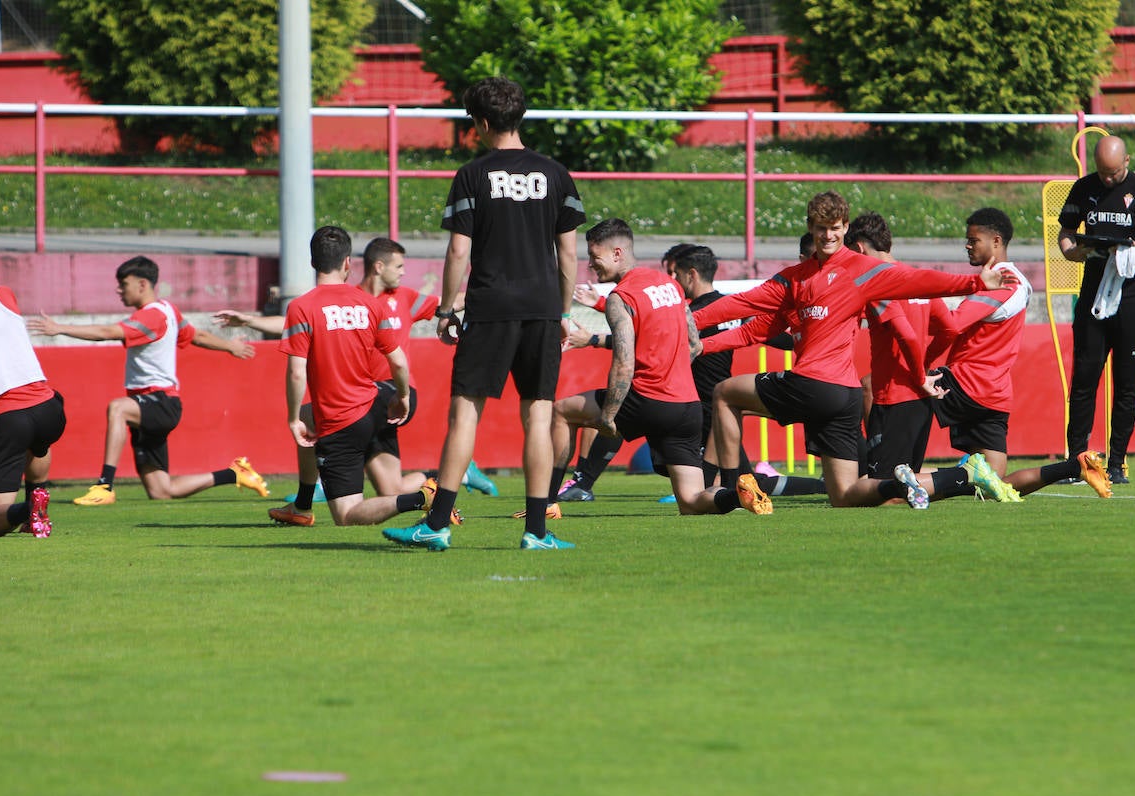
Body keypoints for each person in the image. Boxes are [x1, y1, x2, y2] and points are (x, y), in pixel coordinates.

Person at [696, 191, 1004, 510]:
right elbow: (745, 307)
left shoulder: (861, 270)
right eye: (820, 228)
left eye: (834, 227)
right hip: (846, 397)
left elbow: (918, 280)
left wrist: (974, 283)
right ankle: (930, 481)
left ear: (845, 228)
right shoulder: (795, 280)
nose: (828, 235)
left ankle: (735, 491)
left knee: (724, 392)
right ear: (810, 228)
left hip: (814, 385)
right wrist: (698, 332)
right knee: (844, 495)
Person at [383, 76, 585, 552]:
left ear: (483, 121)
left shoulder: (472, 175)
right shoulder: (556, 175)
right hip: (540, 308)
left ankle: (436, 525)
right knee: (538, 416)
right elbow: (569, 255)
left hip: (491, 306)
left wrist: (448, 308)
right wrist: (560, 311)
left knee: (465, 416)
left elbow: (458, 251)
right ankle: (536, 531)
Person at [549, 219, 771, 515]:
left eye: (594, 256)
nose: (590, 264)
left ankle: (546, 503)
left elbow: (624, 364)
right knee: (691, 502)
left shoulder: (621, 297)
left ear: (617, 253)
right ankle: (737, 496)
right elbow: (694, 344)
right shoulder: (671, 286)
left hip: (646, 399)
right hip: (685, 407)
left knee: (562, 412)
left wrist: (608, 417)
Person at [896, 208, 1113, 504]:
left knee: (876, 387)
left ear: (996, 241)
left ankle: (876, 471)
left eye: (974, 240)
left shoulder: (1004, 282)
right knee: (996, 481)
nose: (968, 246)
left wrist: (915, 305)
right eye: (967, 240)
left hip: (965, 383)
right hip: (994, 393)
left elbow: (953, 323)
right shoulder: (1011, 282)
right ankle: (1075, 466)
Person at [27, 256, 271, 506]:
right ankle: (234, 473)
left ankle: (104, 486)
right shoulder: (168, 310)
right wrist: (229, 346)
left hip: (159, 402)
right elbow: (196, 335)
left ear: (142, 284)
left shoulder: (152, 316)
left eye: (123, 284)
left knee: (118, 408)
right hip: (150, 406)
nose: (118, 290)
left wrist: (60, 328)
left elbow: (108, 332)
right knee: (161, 491)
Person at [277, 226, 436, 527]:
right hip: (373, 406)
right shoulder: (369, 304)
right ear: (348, 263)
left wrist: (292, 419)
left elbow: (297, 372)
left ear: (313, 262)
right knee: (387, 486)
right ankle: (301, 505)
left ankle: (420, 498)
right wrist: (402, 396)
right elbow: (399, 363)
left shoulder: (301, 307)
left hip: (340, 421)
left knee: (348, 516)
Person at [1057, 134, 1135, 484]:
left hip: (1133, 297)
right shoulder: (1083, 188)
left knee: (1126, 382)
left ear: (1126, 161)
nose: (1107, 179)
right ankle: (1075, 462)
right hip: (1093, 297)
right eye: (1102, 173)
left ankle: (1116, 463)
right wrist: (1071, 250)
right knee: (1084, 379)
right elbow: (1066, 233)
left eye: (1113, 172)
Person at [844, 211, 941, 476]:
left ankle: (961, 476)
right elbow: (950, 328)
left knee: (881, 489)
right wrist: (924, 365)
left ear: (859, 248)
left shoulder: (877, 282)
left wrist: (920, 373)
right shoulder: (915, 277)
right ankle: (960, 475)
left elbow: (906, 335)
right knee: (902, 485)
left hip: (892, 398)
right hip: (921, 401)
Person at [0, 284, 67, 537]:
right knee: (36, 444)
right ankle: (36, 499)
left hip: (5, 416)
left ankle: (30, 507)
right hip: (49, 407)